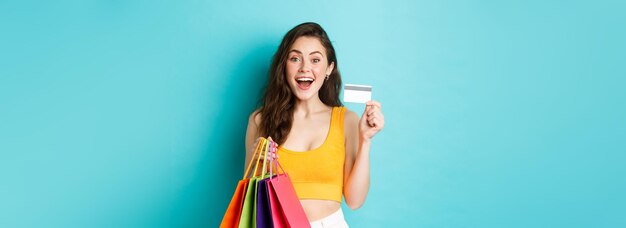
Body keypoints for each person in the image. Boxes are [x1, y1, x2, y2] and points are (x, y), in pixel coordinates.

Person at [244, 22, 385, 228]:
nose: (304, 68)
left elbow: (355, 201)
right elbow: (249, 202)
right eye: (295, 58)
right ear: (283, 66)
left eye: (315, 59)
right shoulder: (260, 120)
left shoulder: (347, 121)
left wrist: (365, 140)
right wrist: (258, 164)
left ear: (329, 68)